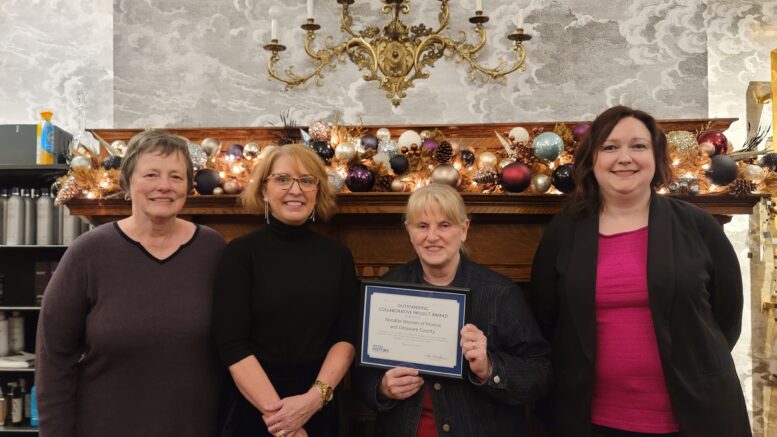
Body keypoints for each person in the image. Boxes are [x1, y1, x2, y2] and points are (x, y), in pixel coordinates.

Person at [530, 105, 751, 436]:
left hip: (697, 418)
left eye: (638, 146)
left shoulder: (698, 226)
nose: (625, 157)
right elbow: (545, 318)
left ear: (656, 157)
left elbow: (726, 318)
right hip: (590, 421)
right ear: (592, 160)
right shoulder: (564, 232)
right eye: (610, 147)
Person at [35, 130, 227, 437]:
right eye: (151, 174)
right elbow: (54, 358)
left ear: (189, 186)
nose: (164, 186)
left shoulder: (212, 249)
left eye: (176, 177)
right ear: (127, 182)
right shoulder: (88, 253)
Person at [353, 183, 551, 437]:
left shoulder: (500, 292)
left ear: (464, 229)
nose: (432, 236)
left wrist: (489, 368)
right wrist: (381, 387)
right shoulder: (384, 292)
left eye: (444, 225)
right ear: (409, 232)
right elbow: (360, 370)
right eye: (422, 226)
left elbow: (540, 373)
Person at [212, 143, 358, 437]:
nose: (296, 190)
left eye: (306, 180)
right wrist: (285, 422)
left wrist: (312, 402)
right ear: (264, 190)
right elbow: (231, 344)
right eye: (282, 179)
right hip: (255, 409)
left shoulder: (337, 256)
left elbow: (346, 337)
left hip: (319, 402)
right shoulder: (240, 253)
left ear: (317, 191)